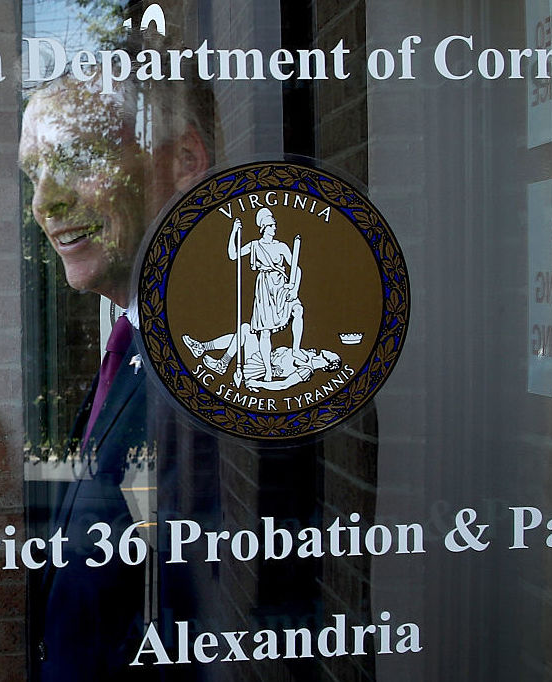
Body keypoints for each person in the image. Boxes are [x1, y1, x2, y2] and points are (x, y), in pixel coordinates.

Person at [20, 61, 214, 680]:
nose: (44, 201)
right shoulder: (141, 332)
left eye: (77, 155)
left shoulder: (219, 362)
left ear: (184, 161)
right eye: (33, 173)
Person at [226, 208, 304, 380]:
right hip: (264, 289)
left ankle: (296, 349)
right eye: (271, 225)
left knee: (298, 310)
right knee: (265, 332)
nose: (274, 228)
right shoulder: (255, 245)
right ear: (263, 228)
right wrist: (234, 231)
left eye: (274, 225)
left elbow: (296, 268)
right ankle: (268, 369)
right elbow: (233, 255)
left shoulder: (281, 246)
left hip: (282, 285)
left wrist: (294, 289)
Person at [183, 323, 340, 390]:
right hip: (263, 356)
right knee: (242, 333)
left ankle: (221, 364)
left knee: (244, 330)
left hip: (258, 367)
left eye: (334, 356)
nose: (333, 352)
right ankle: (202, 348)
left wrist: (258, 384)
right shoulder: (310, 353)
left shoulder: (306, 370)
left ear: (329, 364)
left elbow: (284, 385)